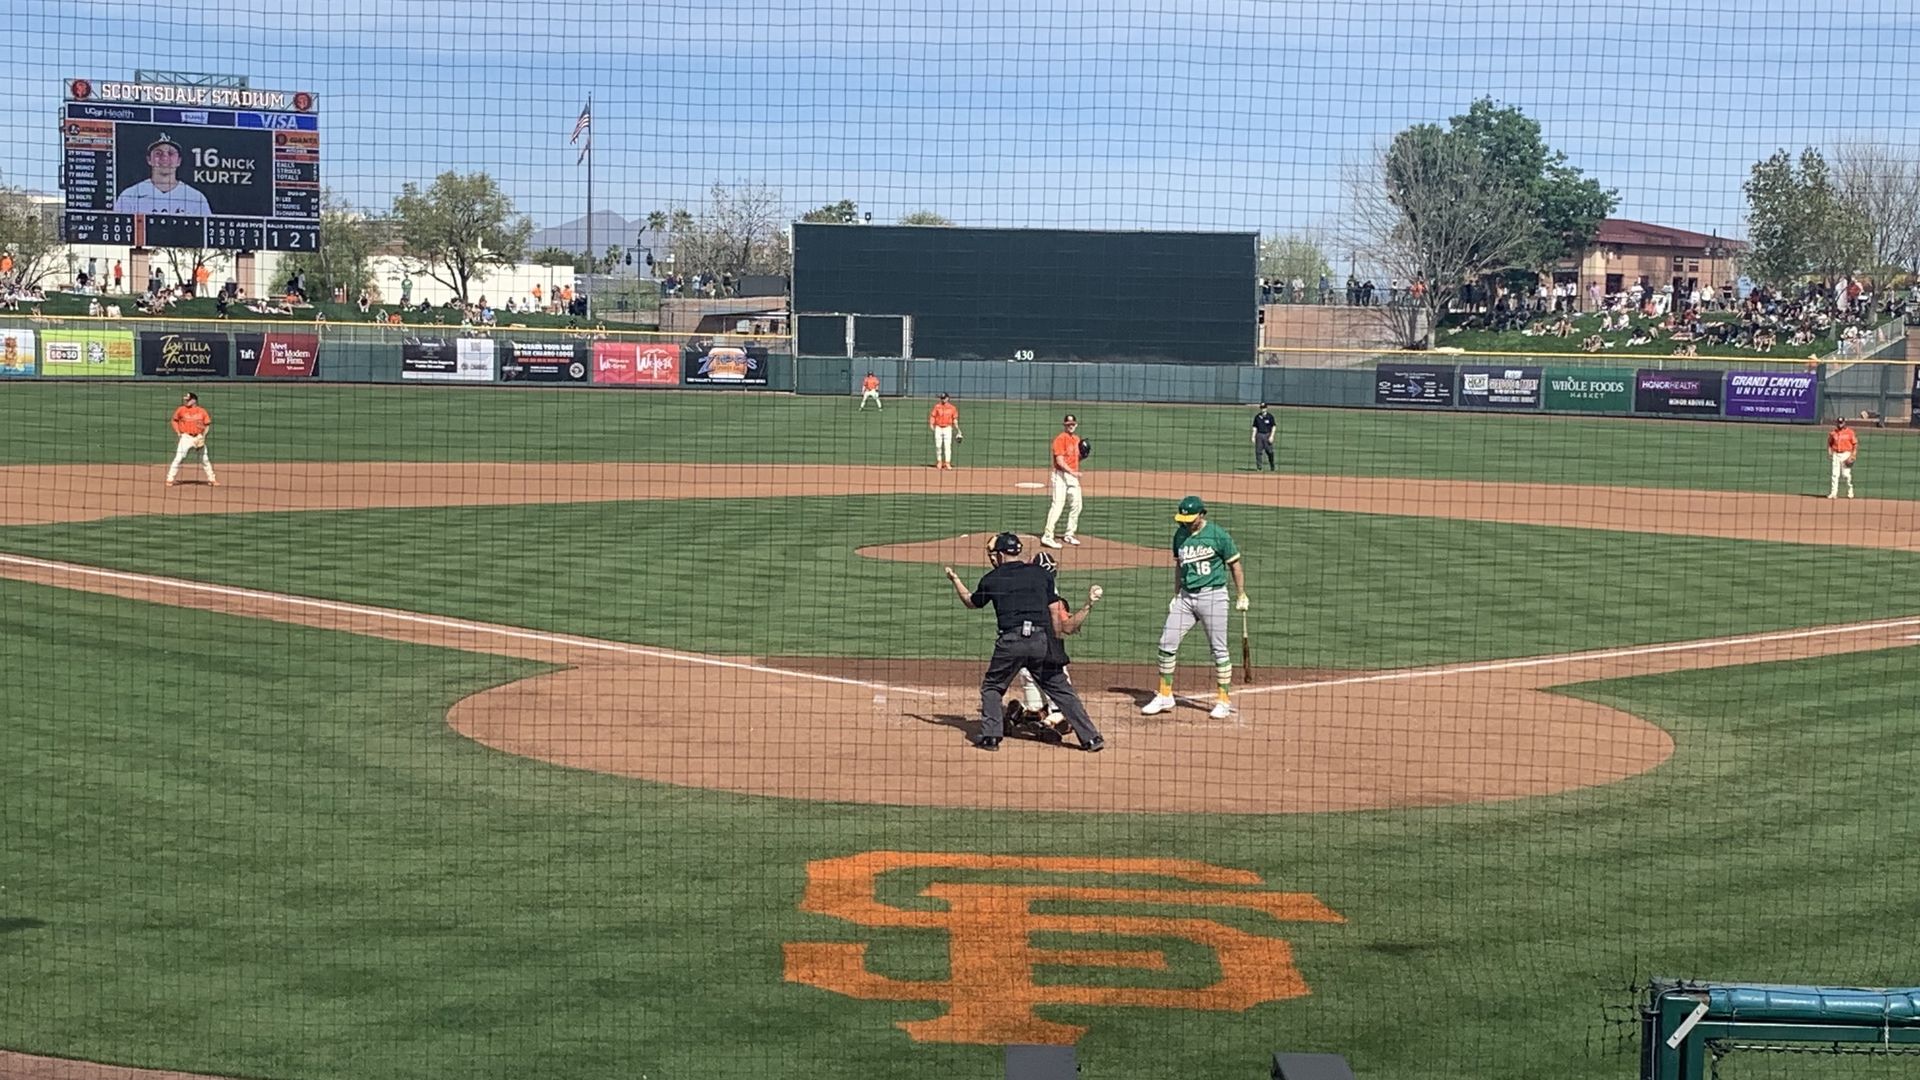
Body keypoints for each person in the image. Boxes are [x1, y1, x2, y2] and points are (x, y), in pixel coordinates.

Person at [943, 532, 1105, 752]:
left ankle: (991, 737)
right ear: (1018, 551)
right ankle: (1091, 738)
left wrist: (956, 581)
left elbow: (972, 603)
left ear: (1000, 555)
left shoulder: (992, 578)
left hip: (1010, 641)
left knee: (992, 686)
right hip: (1040, 640)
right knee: (1060, 689)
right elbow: (1053, 613)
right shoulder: (1042, 575)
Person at [1141, 496, 1248, 719]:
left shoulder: (1218, 535)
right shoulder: (1180, 535)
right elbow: (1179, 567)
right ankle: (1165, 694)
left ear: (1202, 514)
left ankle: (1223, 700)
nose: (1186, 524)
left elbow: (1235, 565)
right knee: (1166, 643)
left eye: (1190, 519)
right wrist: (1176, 593)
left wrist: (1241, 594)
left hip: (1214, 597)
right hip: (1186, 598)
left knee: (1219, 649)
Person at [114, 135, 213, 216]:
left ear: (179, 161)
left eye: (170, 153)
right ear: (149, 159)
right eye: (158, 153)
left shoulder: (196, 198)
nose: (164, 158)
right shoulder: (129, 196)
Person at [1040, 414, 1084, 549]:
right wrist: (1072, 472)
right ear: (1064, 425)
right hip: (1060, 476)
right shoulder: (1060, 439)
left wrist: (1083, 456)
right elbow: (1059, 461)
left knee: (1077, 505)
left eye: (1073, 424)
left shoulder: (1077, 439)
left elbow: (1075, 459)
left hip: (1072, 477)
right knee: (1058, 505)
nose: (1071, 426)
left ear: (1076, 425)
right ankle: (1047, 536)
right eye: (1068, 424)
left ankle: (1069, 534)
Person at [165, 392, 218, 487]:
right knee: (179, 458)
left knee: (205, 459)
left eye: (188, 400)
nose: (186, 401)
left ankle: (212, 479)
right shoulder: (181, 410)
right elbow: (174, 420)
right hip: (186, 437)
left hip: (198, 437)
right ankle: (170, 479)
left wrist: (203, 437)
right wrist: (178, 432)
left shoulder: (202, 411)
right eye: (185, 400)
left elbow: (207, 425)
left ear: (194, 400)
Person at [1827, 417, 1857, 499]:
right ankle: (1833, 493)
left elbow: (1855, 444)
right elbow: (1829, 443)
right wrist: (1830, 451)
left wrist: (1853, 455)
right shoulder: (1833, 433)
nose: (1840, 424)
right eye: (1839, 423)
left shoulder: (1850, 432)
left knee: (1846, 474)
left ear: (1844, 423)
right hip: (1836, 454)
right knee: (1834, 474)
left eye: (1841, 423)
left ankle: (1850, 491)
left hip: (1846, 454)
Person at [928, 391, 960, 468]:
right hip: (938, 427)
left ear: (948, 398)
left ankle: (947, 462)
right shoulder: (937, 407)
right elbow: (933, 416)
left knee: (947, 446)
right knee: (938, 446)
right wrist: (931, 424)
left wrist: (958, 429)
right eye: (942, 398)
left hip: (948, 428)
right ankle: (939, 461)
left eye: (944, 398)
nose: (943, 400)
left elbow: (955, 419)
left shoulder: (952, 408)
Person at [1250, 402, 1277, 471]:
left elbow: (1273, 426)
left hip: (1267, 435)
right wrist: (1253, 436)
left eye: (1264, 408)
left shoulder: (1270, 416)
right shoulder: (1257, 417)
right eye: (1262, 408)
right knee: (1258, 452)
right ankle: (1259, 467)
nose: (1263, 409)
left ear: (1266, 408)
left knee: (1270, 452)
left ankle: (1272, 465)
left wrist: (1272, 436)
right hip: (1259, 435)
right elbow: (1255, 427)